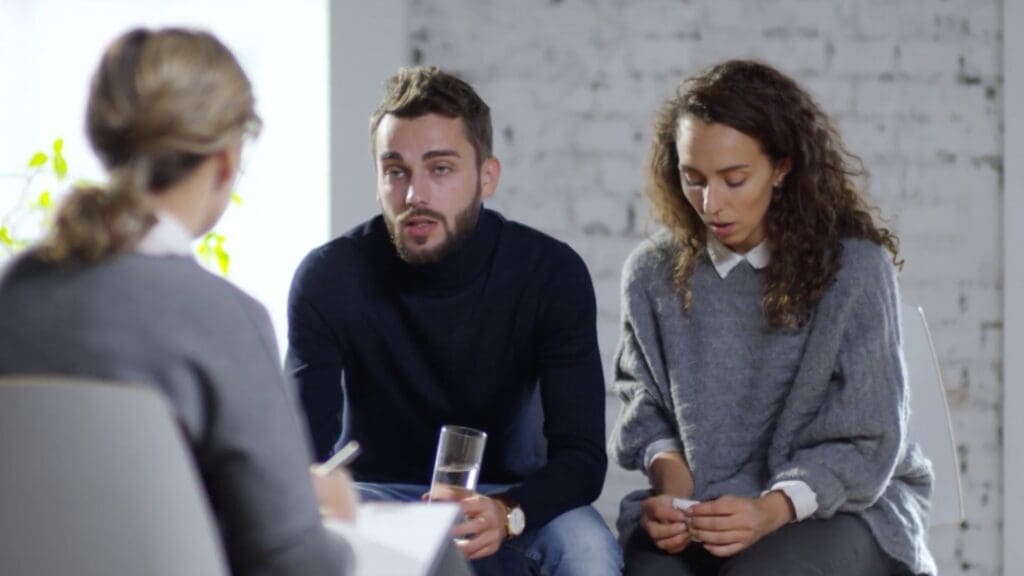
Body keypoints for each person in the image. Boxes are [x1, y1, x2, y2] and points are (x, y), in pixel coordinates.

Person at [0, 28, 358, 576]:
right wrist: (338, 528)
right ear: (224, 162)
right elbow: (292, 564)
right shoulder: (221, 317)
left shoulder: (14, 292)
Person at [286, 65, 622, 576]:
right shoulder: (329, 275)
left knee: (589, 552)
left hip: (509, 492)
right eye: (395, 171)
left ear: (487, 175)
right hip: (376, 492)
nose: (414, 195)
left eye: (439, 169)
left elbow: (582, 459)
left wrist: (509, 511)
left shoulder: (549, 272)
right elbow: (305, 451)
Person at [608, 60, 935, 576]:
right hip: (711, 512)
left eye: (734, 179)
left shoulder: (853, 269)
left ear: (782, 168)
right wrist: (675, 498)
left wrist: (769, 510)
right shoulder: (651, 274)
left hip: (844, 507)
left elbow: (868, 434)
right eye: (693, 179)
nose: (711, 203)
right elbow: (642, 402)